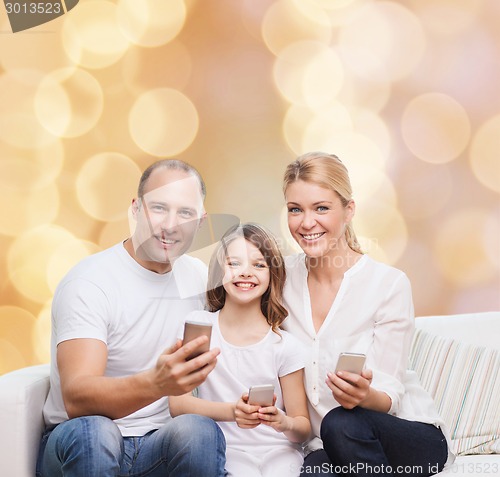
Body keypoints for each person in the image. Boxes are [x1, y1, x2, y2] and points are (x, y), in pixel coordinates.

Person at [37, 159, 226, 477]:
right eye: (159, 208)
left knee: (199, 431)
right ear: (136, 209)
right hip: (81, 444)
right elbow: (77, 398)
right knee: (96, 433)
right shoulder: (91, 281)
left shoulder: (198, 277)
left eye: (185, 213)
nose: (170, 225)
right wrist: (156, 383)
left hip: (155, 447)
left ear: (200, 220)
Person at [281, 152, 453, 477]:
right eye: (295, 209)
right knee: (314, 470)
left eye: (321, 208)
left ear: (348, 210)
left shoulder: (388, 284)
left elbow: (390, 395)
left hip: (407, 435)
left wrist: (366, 395)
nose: (306, 223)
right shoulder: (279, 280)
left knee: (341, 423)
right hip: (327, 445)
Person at [169, 223, 311, 477]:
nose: (246, 273)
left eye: (258, 265)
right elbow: (178, 404)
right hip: (227, 450)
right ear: (219, 271)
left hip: (279, 451)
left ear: (273, 275)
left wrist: (283, 421)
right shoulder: (200, 327)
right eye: (234, 263)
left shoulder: (286, 346)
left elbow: (302, 427)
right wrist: (232, 412)